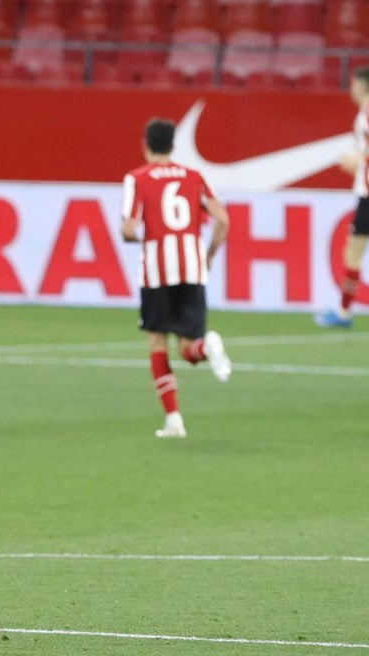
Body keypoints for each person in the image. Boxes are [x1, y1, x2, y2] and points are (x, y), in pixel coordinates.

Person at [121, 118, 232, 439]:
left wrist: (138, 239)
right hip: (192, 267)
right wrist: (208, 255)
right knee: (188, 348)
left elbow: (129, 228)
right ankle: (206, 346)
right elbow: (222, 220)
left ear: (145, 144)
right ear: (173, 145)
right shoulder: (195, 176)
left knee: (158, 343)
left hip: (157, 271)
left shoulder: (136, 178)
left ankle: (174, 419)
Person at [316, 67, 369, 329]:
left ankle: (343, 313)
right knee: (353, 251)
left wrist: (359, 158)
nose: (350, 89)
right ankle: (343, 312)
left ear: (364, 87)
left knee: (353, 254)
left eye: (353, 84)